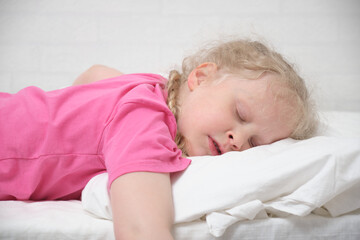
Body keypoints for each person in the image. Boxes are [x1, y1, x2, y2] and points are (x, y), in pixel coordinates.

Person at [0, 39, 317, 239]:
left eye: (254, 144)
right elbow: (140, 229)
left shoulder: (151, 87)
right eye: (240, 113)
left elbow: (95, 73)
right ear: (201, 77)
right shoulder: (145, 123)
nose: (238, 139)